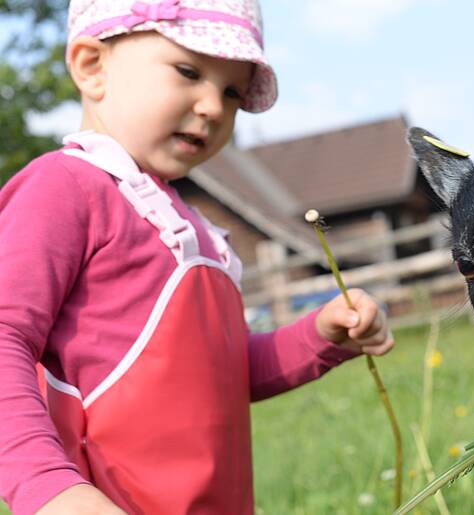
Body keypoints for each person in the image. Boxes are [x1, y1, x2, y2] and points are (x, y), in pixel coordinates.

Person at [0, 1, 395, 513]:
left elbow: (222, 375)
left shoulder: (199, 232)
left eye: (232, 92)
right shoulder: (65, 187)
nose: (213, 106)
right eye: (189, 71)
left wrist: (319, 335)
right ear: (91, 66)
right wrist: (49, 487)